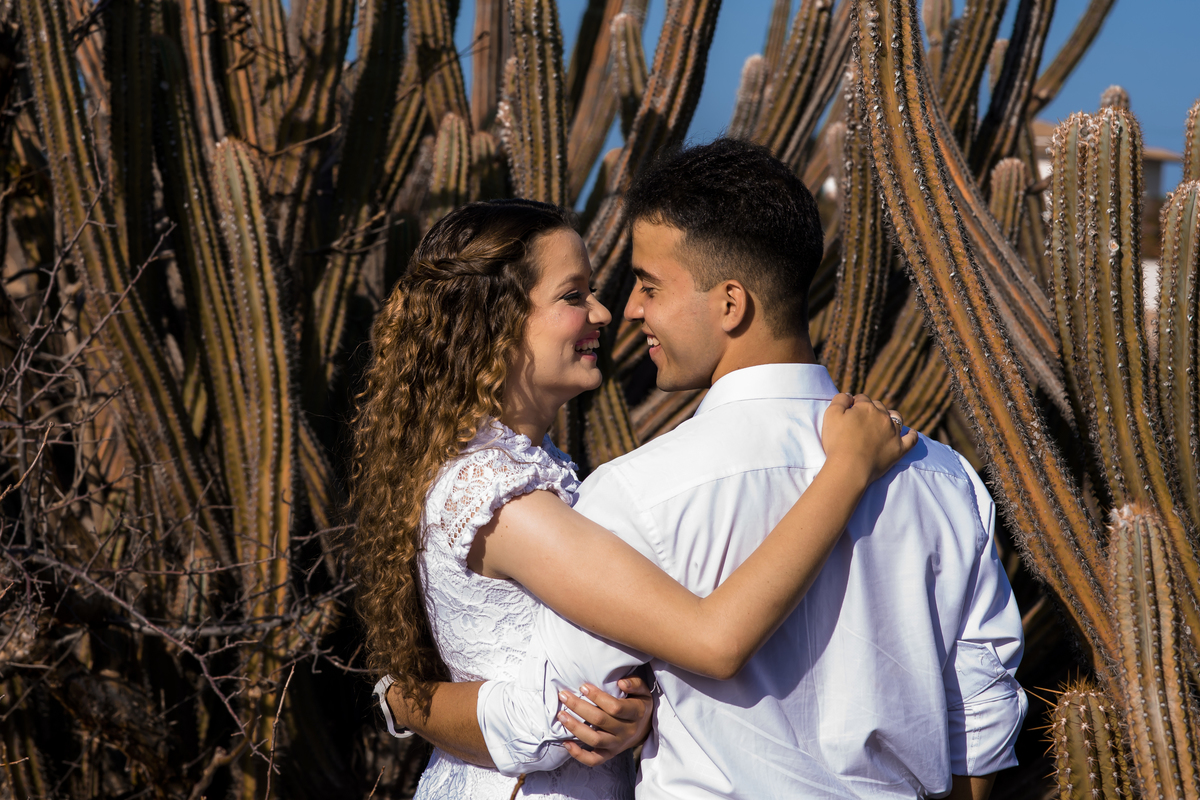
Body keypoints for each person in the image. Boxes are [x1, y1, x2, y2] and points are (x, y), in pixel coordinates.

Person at [380, 140, 1028, 799]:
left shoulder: (634, 494)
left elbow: (570, 702)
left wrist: (402, 700)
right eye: (580, 295)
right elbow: (980, 727)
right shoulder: (945, 480)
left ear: (729, 303)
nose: (621, 311)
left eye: (648, 286)